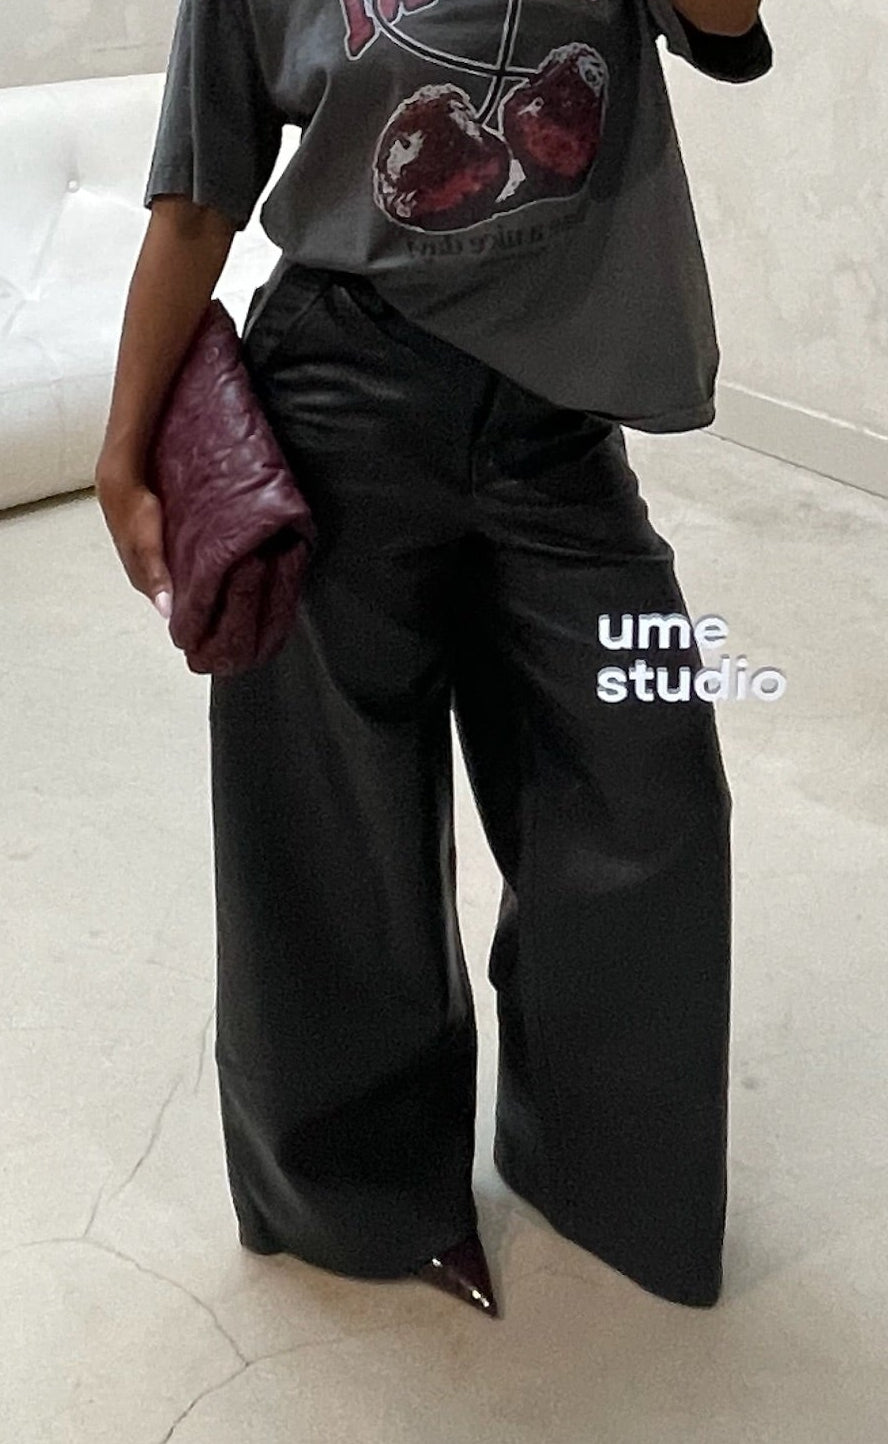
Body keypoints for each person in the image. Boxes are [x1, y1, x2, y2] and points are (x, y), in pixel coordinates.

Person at [95, 0, 773, 1320]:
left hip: (558, 429)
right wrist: (125, 451)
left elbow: (726, 19)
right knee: (330, 827)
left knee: (650, 792)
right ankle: (355, 1200)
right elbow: (198, 199)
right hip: (338, 396)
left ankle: (604, 1172)